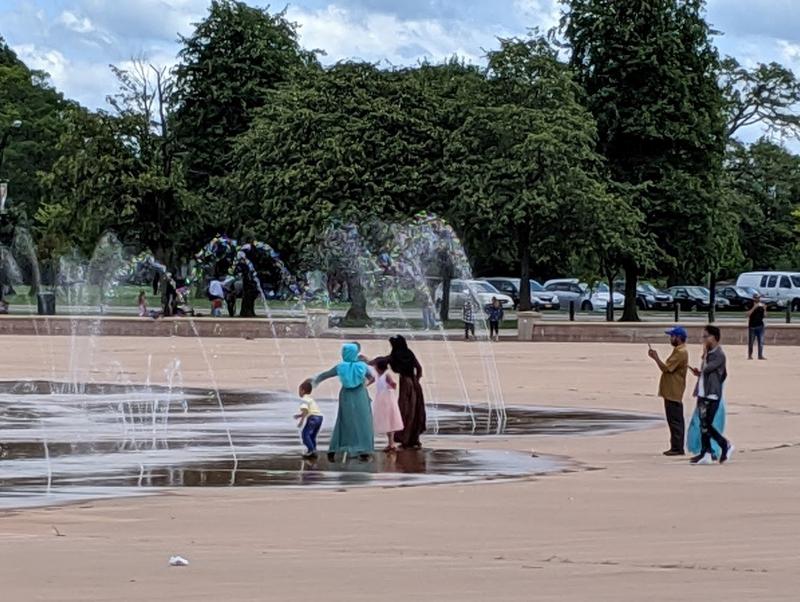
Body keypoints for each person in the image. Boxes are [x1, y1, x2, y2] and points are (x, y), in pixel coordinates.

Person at [306, 343, 374, 462]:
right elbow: (373, 377)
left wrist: (312, 382)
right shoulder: (362, 366)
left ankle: (335, 448)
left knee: (344, 421)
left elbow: (324, 375)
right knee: (363, 421)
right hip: (361, 395)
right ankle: (364, 450)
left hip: (346, 395)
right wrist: (365, 384)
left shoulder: (341, 367)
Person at [689, 325, 734, 465]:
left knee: (707, 424)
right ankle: (705, 452)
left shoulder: (718, 355)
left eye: (706, 336)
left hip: (712, 394)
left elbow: (709, 370)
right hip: (703, 393)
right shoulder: (708, 353)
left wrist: (705, 358)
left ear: (713, 337)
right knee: (703, 423)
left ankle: (724, 444)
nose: (703, 339)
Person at [648, 326, 689, 456]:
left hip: (674, 391)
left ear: (678, 337)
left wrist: (655, 358)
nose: (670, 339)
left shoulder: (681, 352)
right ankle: (675, 446)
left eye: (672, 336)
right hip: (671, 390)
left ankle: (677, 447)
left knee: (675, 420)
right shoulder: (678, 350)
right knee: (673, 420)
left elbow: (666, 368)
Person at [386, 335, 426, 449]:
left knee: (406, 409)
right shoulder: (409, 353)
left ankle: (405, 437)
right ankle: (415, 438)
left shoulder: (395, 356)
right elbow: (419, 368)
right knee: (417, 410)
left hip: (405, 382)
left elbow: (384, 362)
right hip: (414, 383)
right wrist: (416, 380)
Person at [371, 357, 404, 452]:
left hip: (387, 399)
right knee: (386, 420)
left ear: (379, 367)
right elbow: (373, 380)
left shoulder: (386, 375)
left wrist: (391, 386)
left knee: (390, 420)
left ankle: (391, 443)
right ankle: (390, 443)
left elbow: (393, 384)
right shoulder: (377, 375)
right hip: (381, 399)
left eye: (375, 366)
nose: (374, 367)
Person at [294, 380, 323, 459]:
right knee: (312, 436)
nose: (299, 392)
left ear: (303, 391)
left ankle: (312, 450)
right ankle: (313, 450)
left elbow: (306, 410)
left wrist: (301, 421)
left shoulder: (304, 399)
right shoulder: (310, 399)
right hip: (319, 418)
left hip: (312, 418)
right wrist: (300, 415)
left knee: (305, 435)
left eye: (299, 390)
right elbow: (309, 410)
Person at [747, 293, 767, 360]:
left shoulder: (761, 305)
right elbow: (747, 314)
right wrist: (754, 307)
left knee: (761, 342)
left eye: (758, 298)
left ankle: (760, 355)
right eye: (756, 298)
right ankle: (750, 355)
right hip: (752, 326)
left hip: (760, 326)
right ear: (753, 298)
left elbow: (765, 316)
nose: (758, 299)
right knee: (751, 342)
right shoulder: (750, 304)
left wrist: (764, 309)